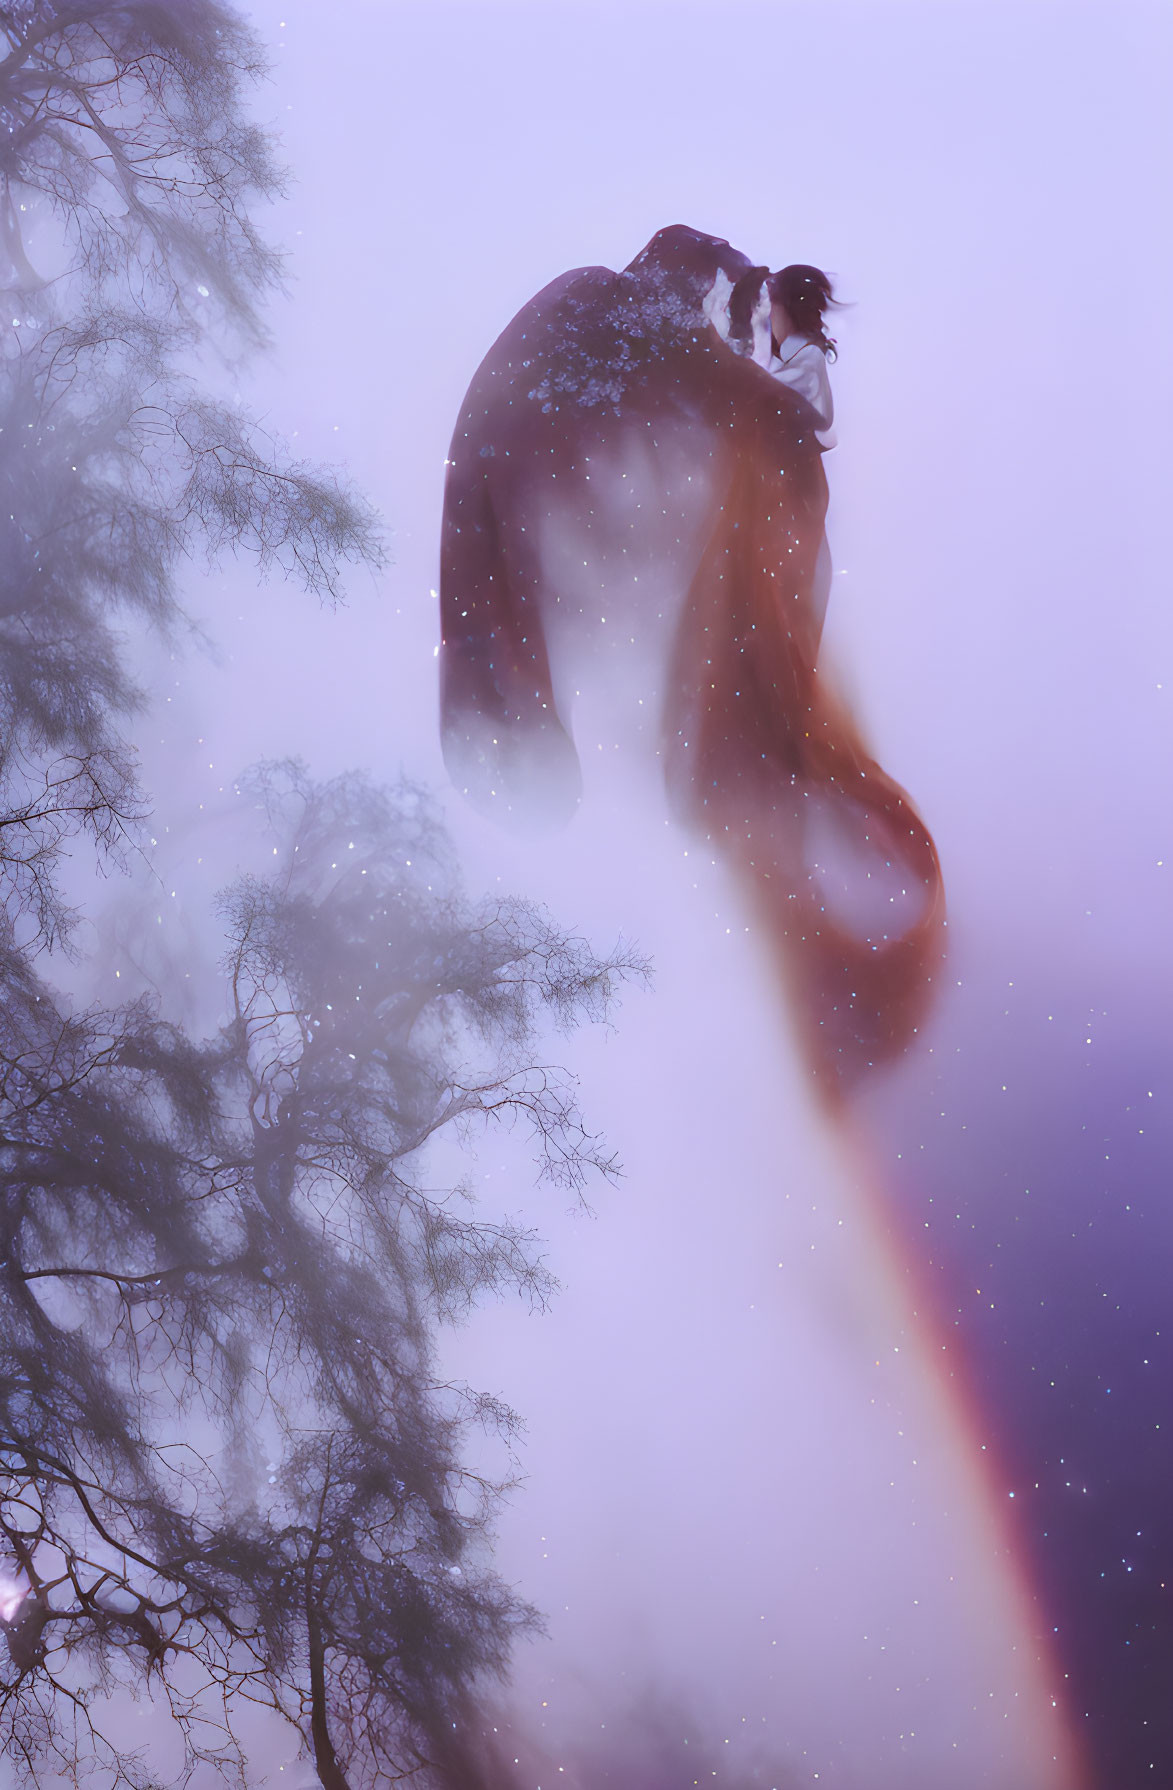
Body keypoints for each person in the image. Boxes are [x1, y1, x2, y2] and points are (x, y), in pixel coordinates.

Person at [766, 263, 839, 451]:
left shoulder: (808, 357)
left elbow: (767, 389)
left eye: (774, 308)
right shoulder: (797, 354)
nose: (770, 316)